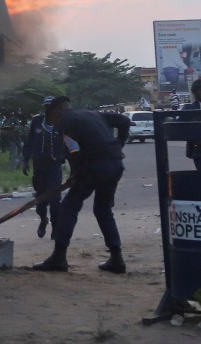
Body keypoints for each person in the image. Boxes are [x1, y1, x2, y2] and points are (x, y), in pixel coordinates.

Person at [33, 97, 130, 274]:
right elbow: (124, 121)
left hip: (94, 168)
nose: (55, 123)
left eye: (53, 118)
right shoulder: (93, 114)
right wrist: (119, 146)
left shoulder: (66, 122)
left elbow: (74, 149)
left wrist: (75, 173)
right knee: (103, 209)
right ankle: (117, 257)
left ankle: (59, 257)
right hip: (115, 165)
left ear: (58, 111)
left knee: (68, 207)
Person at [22, 96, 66, 239]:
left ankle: (55, 227)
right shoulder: (37, 121)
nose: (48, 109)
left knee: (55, 199)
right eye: (46, 107)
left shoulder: (61, 123)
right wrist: (25, 160)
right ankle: (43, 220)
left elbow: (68, 143)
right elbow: (29, 141)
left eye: (50, 107)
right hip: (39, 165)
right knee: (40, 199)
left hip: (54, 166)